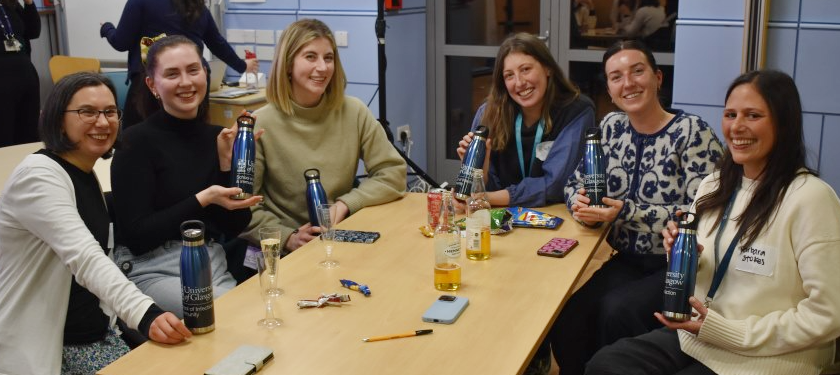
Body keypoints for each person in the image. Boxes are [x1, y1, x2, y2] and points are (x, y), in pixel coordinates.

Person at [585, 69, 840, 375]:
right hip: (703, 337)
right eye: (730, 114)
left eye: (753, 115)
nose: (737, 127)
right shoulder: (715, 185)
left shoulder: (810, 198)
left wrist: (731, 333)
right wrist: (680, 253)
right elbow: (714, 270)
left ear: (783, 123)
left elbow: (828, 315)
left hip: (773, 355)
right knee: (606, 364)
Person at [546, 40, 723, 375]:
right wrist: (578, 201)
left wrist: (625, 212)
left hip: (678, 267)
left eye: (637, 71)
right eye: (616, 77)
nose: (628, 83)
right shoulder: (612, 127)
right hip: (626, 259)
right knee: (569, 317)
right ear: (610, 90)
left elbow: (701, 213)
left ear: (657, 77)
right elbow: (574, 182)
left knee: (616, 311)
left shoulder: (691, 133)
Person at [0, 72, 191, 375]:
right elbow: (86, 256)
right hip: (59, 345)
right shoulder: (39, 176)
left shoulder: (84, 172)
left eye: (110, 111)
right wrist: (145, 313)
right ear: (57, 118)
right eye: (86, 112)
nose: (102, 123)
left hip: (99, 332)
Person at [110, 35, 262, 317]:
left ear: (205, 73)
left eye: (193, 70)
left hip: (210, 261)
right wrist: (204, 199)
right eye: (172, 74)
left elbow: (235, 225)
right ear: (152, 85)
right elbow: (137, 236)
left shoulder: (217, 137)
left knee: (258, 313)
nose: (186, 82)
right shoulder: (135, 142)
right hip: (152, 268)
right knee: (235, 318)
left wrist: (229, 164)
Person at [241, 18, 406, 253]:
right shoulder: (261, 124)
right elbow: (244, 206)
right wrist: (287, 237)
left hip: (340, 236)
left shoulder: (354, 111)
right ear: (288, 65)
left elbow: (393, 173)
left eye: (328, 58)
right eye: (310, 57)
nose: (323, 67)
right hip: (288, 249)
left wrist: (345, 204)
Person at [456, 32, 595, 208]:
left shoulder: (576, 111)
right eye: (509, 75)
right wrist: (479, 171)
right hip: (500, 216)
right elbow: (482, 191)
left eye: (525, 69)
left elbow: (556, 185)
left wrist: (487, 198)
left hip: (556, 214)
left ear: (547, 68)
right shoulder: (489, 112)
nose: (519, 82)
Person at [100, 0, 258, 127]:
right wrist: (242, 65)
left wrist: (106, 28)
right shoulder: (196, 5)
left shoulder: (140, 3)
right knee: (193, 135)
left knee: (137, 138)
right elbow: (217, 43)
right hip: (195, 80)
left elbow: (120, 42)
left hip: (156, 80)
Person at [0, 0, 40, 147]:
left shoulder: (10, 5)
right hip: (3, 80)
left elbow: (34, 32)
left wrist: (29, 3)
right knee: (5, 135)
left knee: (29, 134)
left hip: (25, 75)